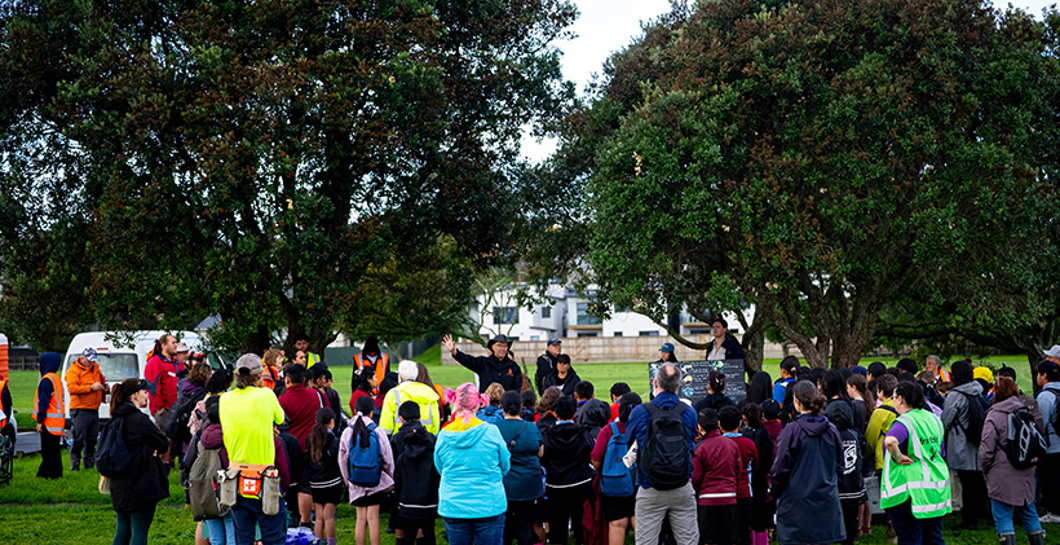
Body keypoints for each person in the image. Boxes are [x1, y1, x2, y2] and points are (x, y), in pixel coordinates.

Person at [219, 354, 290, 545]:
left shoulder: (225, 399)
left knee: (243, 538)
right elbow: (280, 419)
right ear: (260, 376)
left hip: (235, 479)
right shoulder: (266, 395)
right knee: (274, 537)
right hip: (264, 479)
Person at [626, 363, 699, 545]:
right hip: (682, 484)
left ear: (655, 383)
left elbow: (630, 442)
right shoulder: (688, 412)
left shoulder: (640, 412)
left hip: (650, 486)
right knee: (688, 541)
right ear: (679, 385)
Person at [768, 380, 845, 545]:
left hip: (797, 504)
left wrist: (775, 490)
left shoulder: (792, 431)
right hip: (823, 500)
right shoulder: (831, 430)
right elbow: (840, 465)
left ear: (797, 402)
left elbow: (780, 467)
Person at [434, 382, 511, 545]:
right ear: (479, 404)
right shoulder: (491, 432)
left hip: (454, 504)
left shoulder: (444, 435)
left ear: (455, 403)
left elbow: (439, 467)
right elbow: (505, 465)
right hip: (488, 504)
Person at [880, 381, 951, 545]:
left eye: (893, 398)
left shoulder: (905, 421)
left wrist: (898, 456)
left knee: (910, 539)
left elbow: (890, 441)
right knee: (934, 538)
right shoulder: (934, 418)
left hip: (909, 491)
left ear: (901, 399)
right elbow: (939, 451)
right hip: (935, 487)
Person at [980, 376, 1047, 545]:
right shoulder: (1025, 411)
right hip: (1026, 467)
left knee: (1002, 514)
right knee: (1028, 510)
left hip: (1001, 470)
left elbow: (987, 448)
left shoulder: (994, 415)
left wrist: (985, 467)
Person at [108, 378, 170, 545]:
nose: (146, 395)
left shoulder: (115, 418)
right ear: (135, 395)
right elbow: (163, 443)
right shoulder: (139, 420)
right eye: (144, 392)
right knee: (139, 530)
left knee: (122, 528)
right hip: (140, 481)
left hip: (119, 483)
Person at [341, 395, 396, 545]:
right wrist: (388, 477)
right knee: (373, 518)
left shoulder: (347, 432)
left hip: (356, 480)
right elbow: (387, 458)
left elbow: (342, 459)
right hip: (375, 480)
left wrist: (347, 480)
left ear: (355, 410)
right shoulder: (378, 431)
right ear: (372, 412)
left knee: (360, 518)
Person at [541, 395, 594, 545]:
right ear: (574, 414)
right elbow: (590, 454)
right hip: (579, 484)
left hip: (557, 485)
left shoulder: (548, 435)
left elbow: (544, 458)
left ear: (556, 414)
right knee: (581, 526)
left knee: (558, 527)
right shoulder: (583, 433)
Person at [941, 359, 987, 530]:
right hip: (978, 442)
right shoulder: (978, 391)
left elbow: (946, 420)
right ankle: (980, 513)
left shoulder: (955, 395)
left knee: (966, 484)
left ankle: (969, 520)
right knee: (976, 480)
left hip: (961, 443)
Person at [821, 370, 865, 545]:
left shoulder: (828, 431)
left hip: (834, 479)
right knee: (850, 516)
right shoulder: (851, 412)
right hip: (853, 479)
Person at [592, 392, 641, 545]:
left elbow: (596, 458)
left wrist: (605, 473)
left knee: (616, 524)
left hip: (614, 483)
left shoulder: (608, 430)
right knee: (639, 523)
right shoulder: (643, 428)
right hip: (640, 482)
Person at [497, 391, 544, 545]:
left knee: (505, 528)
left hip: (504, 484)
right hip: (528, 484)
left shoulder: (495, 429)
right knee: (525, 526)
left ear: (501, 407)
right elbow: (540, 452)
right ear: (520, 407)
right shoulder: (531, 427)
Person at [391, 401, 439, 545]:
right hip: (428, 497)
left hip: (406, 497)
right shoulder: (431, 438)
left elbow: (396, 471)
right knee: (428, 531)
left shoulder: (397, 439)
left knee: (407, 532)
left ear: (401, 418)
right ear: (420, 417)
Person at [691, 407, 740, 545]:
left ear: (700, 428)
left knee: (708, 539)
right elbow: (738, 471)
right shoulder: (731, 445)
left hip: (707, 500)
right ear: (718, 424)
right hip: (729, 497)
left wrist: (695, 494)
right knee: (729, 539)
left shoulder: (700, 448)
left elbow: (695, 477)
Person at [718, 406, 757, 545]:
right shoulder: (749, 444)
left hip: (726, 493)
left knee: (726, 532)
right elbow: (756, 465)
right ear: (740, 423)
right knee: (743, 531)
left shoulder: (718, 445)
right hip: (743, 492)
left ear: (720, 425)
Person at [305, 407, 343, 545]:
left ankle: (318, 542)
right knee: (329, 517)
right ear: (331, 422)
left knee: (319, 517)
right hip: (331, 483)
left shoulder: (310, 438)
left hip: (315, 483)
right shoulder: (333, 440)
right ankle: (331, 542)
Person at [66, 347, 107, 471]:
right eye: (90, 360)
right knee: (79, 438)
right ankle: (75, 465)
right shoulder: (73, 371)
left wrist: (105, 388)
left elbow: (99, 381)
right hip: (80, 409)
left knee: (92, 438)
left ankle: (89, 465)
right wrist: (91, 388)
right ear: (82, 358)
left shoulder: (96, 370)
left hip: (94, 408)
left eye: (93, 361)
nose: (92, 363)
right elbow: (72, 389)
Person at [739, 402, 774, 545]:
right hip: (761, 479)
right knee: (760, 515)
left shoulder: (745, 436)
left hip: (748, 479)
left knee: (748, 517)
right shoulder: (766, 434)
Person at [442, 334, 523, 393]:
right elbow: (467, 360)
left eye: (504, 346)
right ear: (493, 347)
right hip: (485, 408)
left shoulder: (514, 367)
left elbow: (516, 390)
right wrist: (454, 352)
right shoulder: (483, 363)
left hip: (505, 409)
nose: (502, 349)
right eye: (499, 346)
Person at [381, 360, 442, 435]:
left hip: (399, 441)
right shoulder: (430, 393)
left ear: (400, 376)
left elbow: (386, 427)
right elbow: (435, 425)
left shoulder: (393, 394)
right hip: (425, 441)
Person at [33, 351, 65, 479]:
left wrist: (40, 421)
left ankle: (48, 475)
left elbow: (43, 402)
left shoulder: (46, 380)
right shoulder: (56, 378)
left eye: (40, 362)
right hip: (57, 422)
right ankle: (55, 474)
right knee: (55, 450)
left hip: (48, 421)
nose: (39, 364)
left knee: (47, 451)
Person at [1035, 359, 1060, 524]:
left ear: (1044, 375)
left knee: (1051, 481)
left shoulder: (1045, 395)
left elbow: (1040, 424)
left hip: (1052, 446)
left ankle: (1054, 512)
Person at [144, 333, 184, 432]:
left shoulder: (177, 363)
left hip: (178, 409)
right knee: (165, 440)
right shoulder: (155, 363)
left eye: (176, 343)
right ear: (164, 345)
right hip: (165, 410)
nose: (176, 345)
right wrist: (159, 409)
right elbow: (153, 387)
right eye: (173, 343)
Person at [866, 374, 899, 474]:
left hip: (884, 460)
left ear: (881, 391)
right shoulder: (903, 406)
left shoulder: (880, 412)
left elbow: (871, 436)